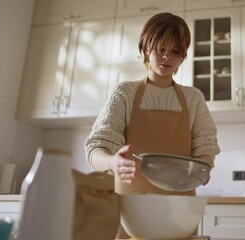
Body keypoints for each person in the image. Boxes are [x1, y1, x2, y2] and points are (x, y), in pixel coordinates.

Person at [84, 12, 220, 238]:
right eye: (160, 48)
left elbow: (205, 148)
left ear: (182, 56)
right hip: (131, 213)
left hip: (180, 213)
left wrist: (203, 166)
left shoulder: (193, 98)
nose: (167, 57)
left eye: (175, 51)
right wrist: (112, 162)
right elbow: (97, 147)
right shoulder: (124, 93)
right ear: (146, 48)